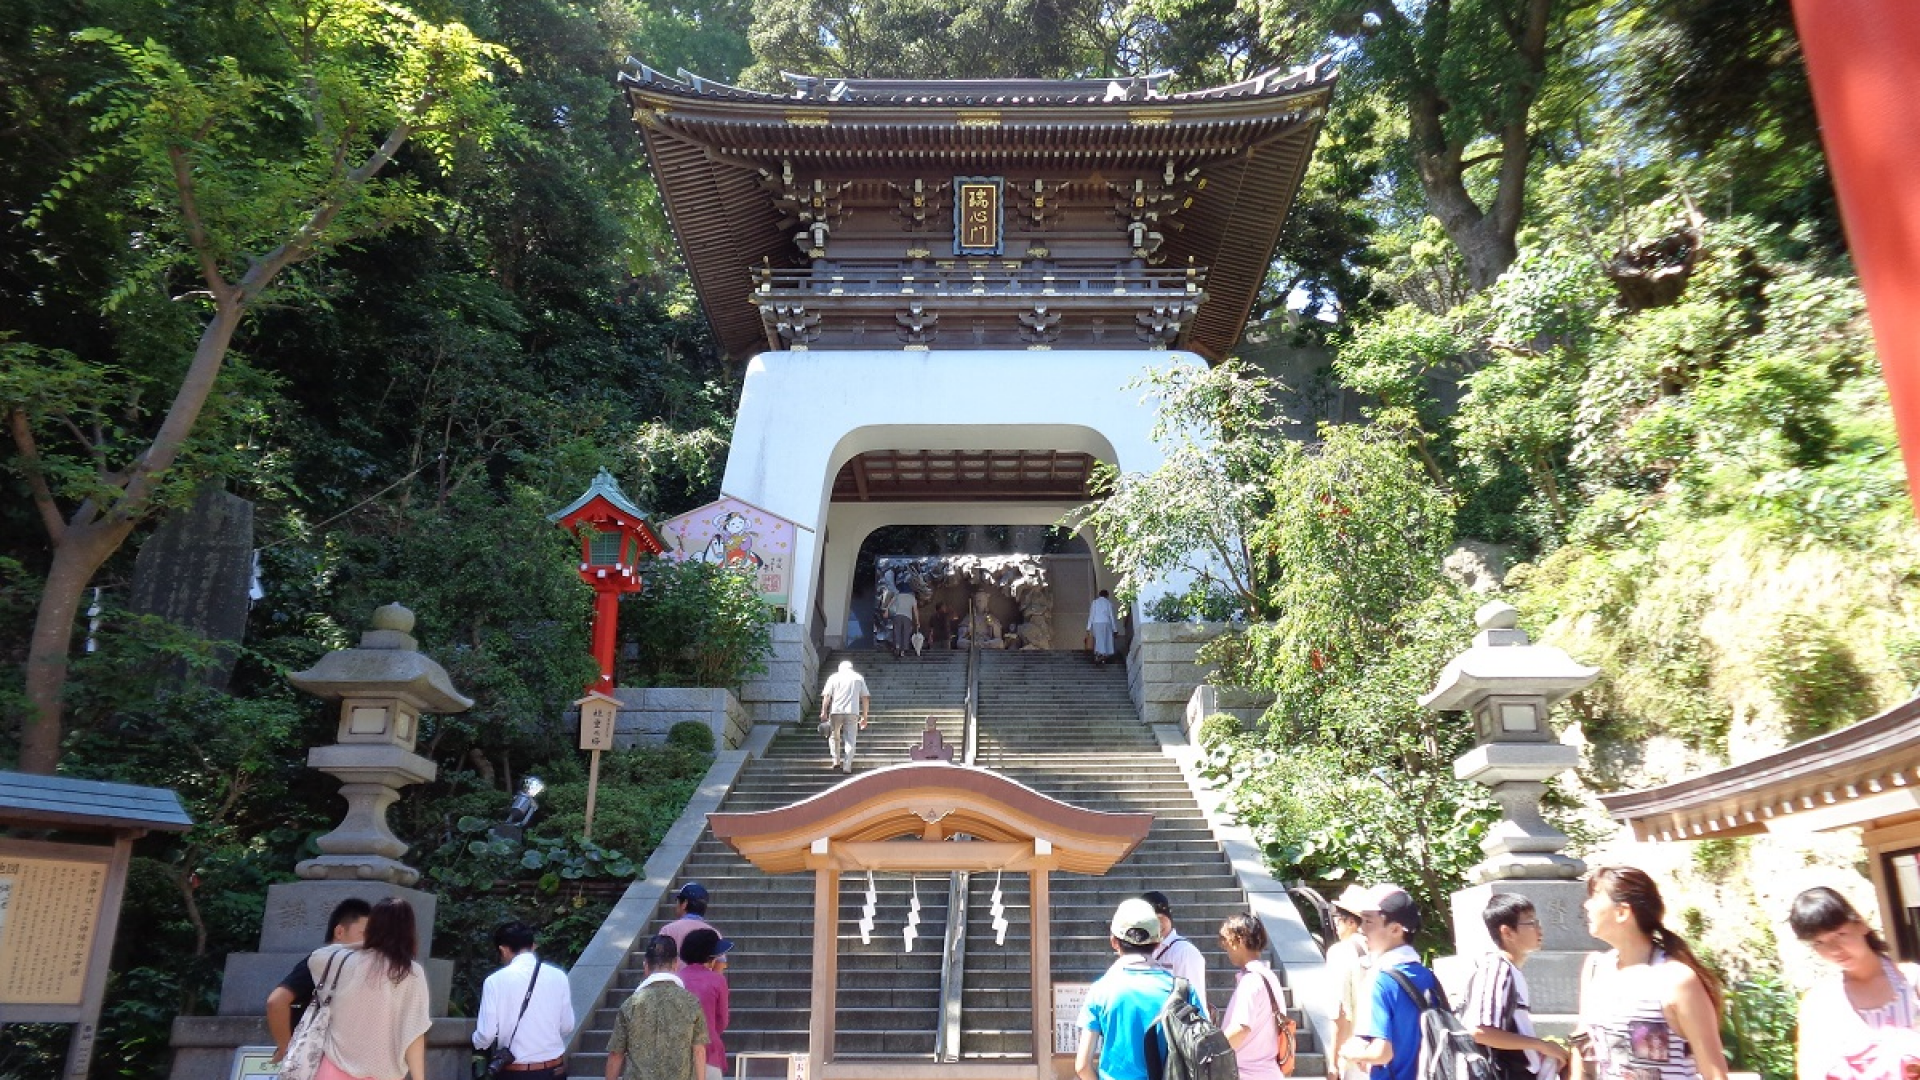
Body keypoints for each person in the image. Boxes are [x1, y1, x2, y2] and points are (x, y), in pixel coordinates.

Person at [1572, 866, 1727, 1080]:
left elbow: (1714, 1073)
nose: (1586, 905)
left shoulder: (1676, 980)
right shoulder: (1595, 968)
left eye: (1596, 896)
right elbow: (1582, 1043)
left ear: (1622, 912)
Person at [1788, 885, 1920, 1080]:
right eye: (1819, 943)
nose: (1833, 949)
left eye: (1839, 935)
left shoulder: (1912, 981)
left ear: (1861, 924)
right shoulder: (1820, 1002)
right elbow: (1810, 1072)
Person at [1076, 898, 1207, 1080]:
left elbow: (1082, 1065)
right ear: (1158, 942)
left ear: (1114, 941)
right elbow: (1203, 1051)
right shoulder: (1183, 989)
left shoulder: (1101, 990)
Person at [308, 896, 432, 1080]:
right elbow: (414, 1031)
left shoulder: (342, 962)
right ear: (409, 931)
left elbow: (316, 956)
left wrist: (369, 945)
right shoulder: (411, 973)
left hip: (332, 1070)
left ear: (372, 927)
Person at [1341, 884, 1442, 1080]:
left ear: (1395, 929)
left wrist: (1350, 1053)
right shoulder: (1427, 975)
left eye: (1368, 921)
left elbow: (1382, 1053)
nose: (1361, 929)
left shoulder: (1381, 979)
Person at [1464, 894, 1570, 1080]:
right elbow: (1480, 1032)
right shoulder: (1497, 969)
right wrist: (1541, 1045)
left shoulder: (1509, 970)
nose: (1539, 929)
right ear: (1507, 932)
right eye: (1531, 923)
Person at [266, 898, 370, 1063]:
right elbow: (276, 1001)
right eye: (364, 935)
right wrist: (287, 1049)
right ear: (340, 932)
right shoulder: (320, 963)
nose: (369, 944)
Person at [473, 920, 575, 1079]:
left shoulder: (495, 981)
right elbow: (567, 1026)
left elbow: (486, 1034)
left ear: (503, 950)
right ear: (532, 946)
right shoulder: (559, 976)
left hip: (516, 1072)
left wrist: (477, 1043)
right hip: (555, 1070)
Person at [606, 935, 707, 1080]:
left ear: (646, 965)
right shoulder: (691, 1002)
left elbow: (616, 1054)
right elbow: (699, 1051)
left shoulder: (631, 1004)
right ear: (675, 964)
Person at [1219, 912, 1289, 1080]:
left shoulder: (1250, 981)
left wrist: (1212, 1053)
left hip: (1248, 1074)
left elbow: (1241, 1028)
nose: (1224, 946)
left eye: (1225, 940)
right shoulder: (1268, 976)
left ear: (1240, 940)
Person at [1325, 885, 1374, 1080]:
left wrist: (1333, 1063)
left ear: (1351, 922)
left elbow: (1340, 1012)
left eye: (1338, 918)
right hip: (1383, 1051)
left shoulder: (1341, 952)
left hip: (1354, 1054)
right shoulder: (1381, 951)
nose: (1335, 924)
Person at [679, 927, 734, 1080]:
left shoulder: (675, 979)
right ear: (710, 956)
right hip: (708, 1051)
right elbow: (722, 1020)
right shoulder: (717, 980)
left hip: (676, 1053)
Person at [1142, 890, 1209, 1014]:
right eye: (1152, 921)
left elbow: (1194, 998)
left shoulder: (1184, 952)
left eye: (1162, 918)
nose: (1158, 925)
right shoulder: (1143, 950)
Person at [818, 660, 870, 774]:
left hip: (836, 711)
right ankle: (847, 765)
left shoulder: (833, 677)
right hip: (852, 712)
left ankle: (836, 760)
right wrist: (864, 716)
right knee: (850, 740)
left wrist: (824, 711)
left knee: (833, 736)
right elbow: (865, 697)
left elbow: (827, 696)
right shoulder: (858, 678)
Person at [660, 882, 722, 959]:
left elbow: (659, 960)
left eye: (677, 901)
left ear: (684, 904)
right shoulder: (714, 933)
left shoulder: (668, 930)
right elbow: (719, 965)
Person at [887, 587, 919, 658]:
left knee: (897, 632)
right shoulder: (912, 598)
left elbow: (890, 603)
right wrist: (917, 621)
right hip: (907, 617)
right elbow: (915, 610)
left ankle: (897, 646)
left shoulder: (898, 595)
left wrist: (886, 610)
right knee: (906, 633)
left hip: (897, 615)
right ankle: (903, 651)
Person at [1088, 589, 1118, 665]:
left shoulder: (1095, 602)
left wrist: (1088, 627)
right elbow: (1111, 616)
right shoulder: (1108, 603)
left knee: (1099, 639)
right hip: (1106, 622)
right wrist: (1115, 629)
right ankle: (1105, 654)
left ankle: (1100, 653)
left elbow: (1091, 615)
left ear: (1099, 595)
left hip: (1097, 622)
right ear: (1107, 595)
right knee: (1106, 639)